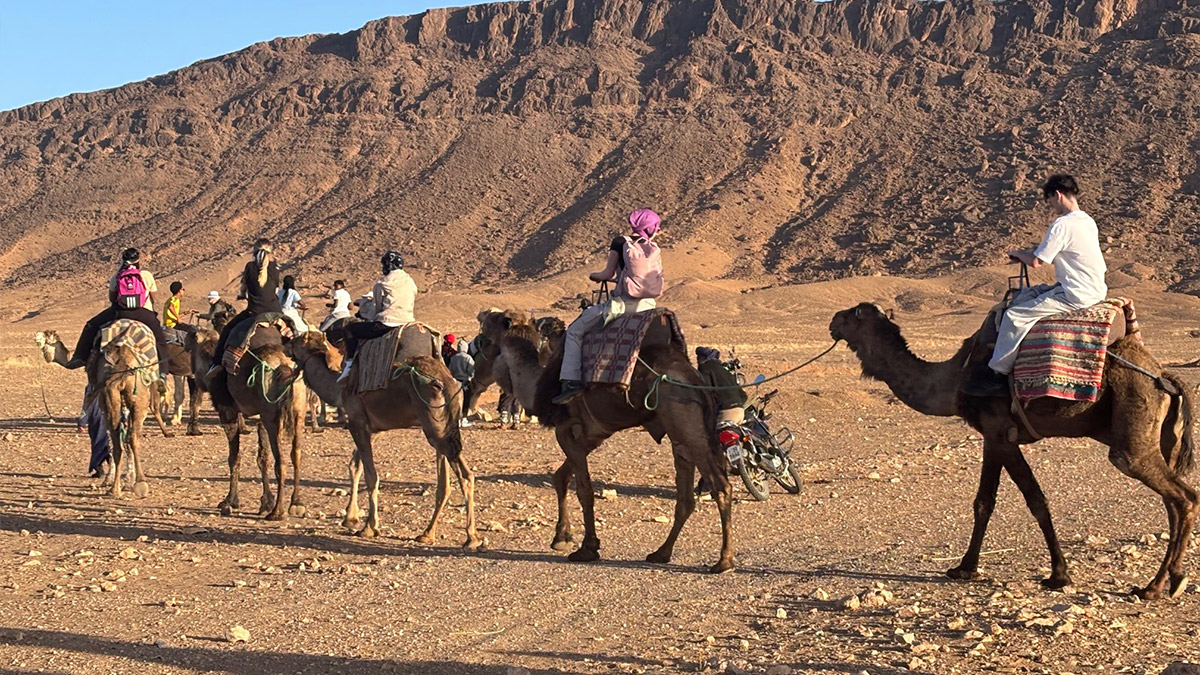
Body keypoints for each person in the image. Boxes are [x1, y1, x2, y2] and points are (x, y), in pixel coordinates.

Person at [963, 174, 1108, 396]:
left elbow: (1037, 262)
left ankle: (997, 374)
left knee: (1014, 316)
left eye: (1050, 202)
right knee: (1030, 294)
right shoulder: (1087, 221)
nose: (1051, 207)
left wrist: (1017, 253)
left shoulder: (1062, 224)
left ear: (1057, 195)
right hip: (1094, 289)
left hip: (1075, 294)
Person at [554, 208, 664, 404]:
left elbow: (606, 274)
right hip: (649, 307)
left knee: (574, 332)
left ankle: (571, 382)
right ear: (652, 228)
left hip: (622, 306)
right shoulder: (654, 249)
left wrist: (595, 276)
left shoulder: (620, 242)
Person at [65, 248, 170, 383]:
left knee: (91, 325)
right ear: (138, 260)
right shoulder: (146, 275)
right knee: (160, 339)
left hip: (121, 312)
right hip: (143, 313)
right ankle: (163, 372)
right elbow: (153, 296)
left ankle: (80, 357)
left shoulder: (117, 277)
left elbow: (112, 298)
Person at [207, 239, 282, 379]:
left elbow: (243, 288)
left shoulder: (250, 267)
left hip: (256, 312)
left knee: (228, 330)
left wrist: (242, 295)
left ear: (254, 251)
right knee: (296, 332)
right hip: (276, 312)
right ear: (271, 251)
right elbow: (276, 290)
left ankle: (216, 363)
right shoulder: (275, 268)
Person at [338, 251, 418, 381]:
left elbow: (377, 309)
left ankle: (349, 365)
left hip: (387, 323)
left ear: (388, 264)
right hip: (408, 322)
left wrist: (364, 305)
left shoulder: (382, 283)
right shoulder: (411, 282)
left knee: (349, 330)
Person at [697, 347, 747, 426]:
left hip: (726, 412)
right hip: (740, 412)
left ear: (702, 358)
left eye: (698, 358)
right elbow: (743, 395)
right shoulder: (725, 370)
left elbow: (706, 392)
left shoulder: (705, 369)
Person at [79, 384, 110, 478]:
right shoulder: (93, 386)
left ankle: (99, 467)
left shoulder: (92, 386)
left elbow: (87, 405)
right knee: (108, 444)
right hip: (102, 418)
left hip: (100, 419)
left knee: (100, 444)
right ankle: (103, 468)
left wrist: (82, 422)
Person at [448, 341, 475, 427]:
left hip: (456, 383)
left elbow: (450, 370)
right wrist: (469, 378)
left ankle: (456, 419)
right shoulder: (468, 358)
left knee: (456, 401)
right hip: (466, 382)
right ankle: (464, 419)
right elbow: (472, 370)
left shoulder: (453, 358)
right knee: (466, 400)